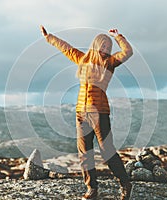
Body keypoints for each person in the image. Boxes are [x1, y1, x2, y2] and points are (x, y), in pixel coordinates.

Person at [40, 25, 133, 200]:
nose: (105, 50)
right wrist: (49, 37)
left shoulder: (110, 63)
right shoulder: (82, 59)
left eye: (108, 47)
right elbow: (65, 47)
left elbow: (128, 52)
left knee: (107, 151)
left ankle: (125, 184)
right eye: (103, 46)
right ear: (95, 45)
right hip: (81, 113)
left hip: (100, 113)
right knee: (84, 153)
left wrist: (118, 37)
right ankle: (92, 189)